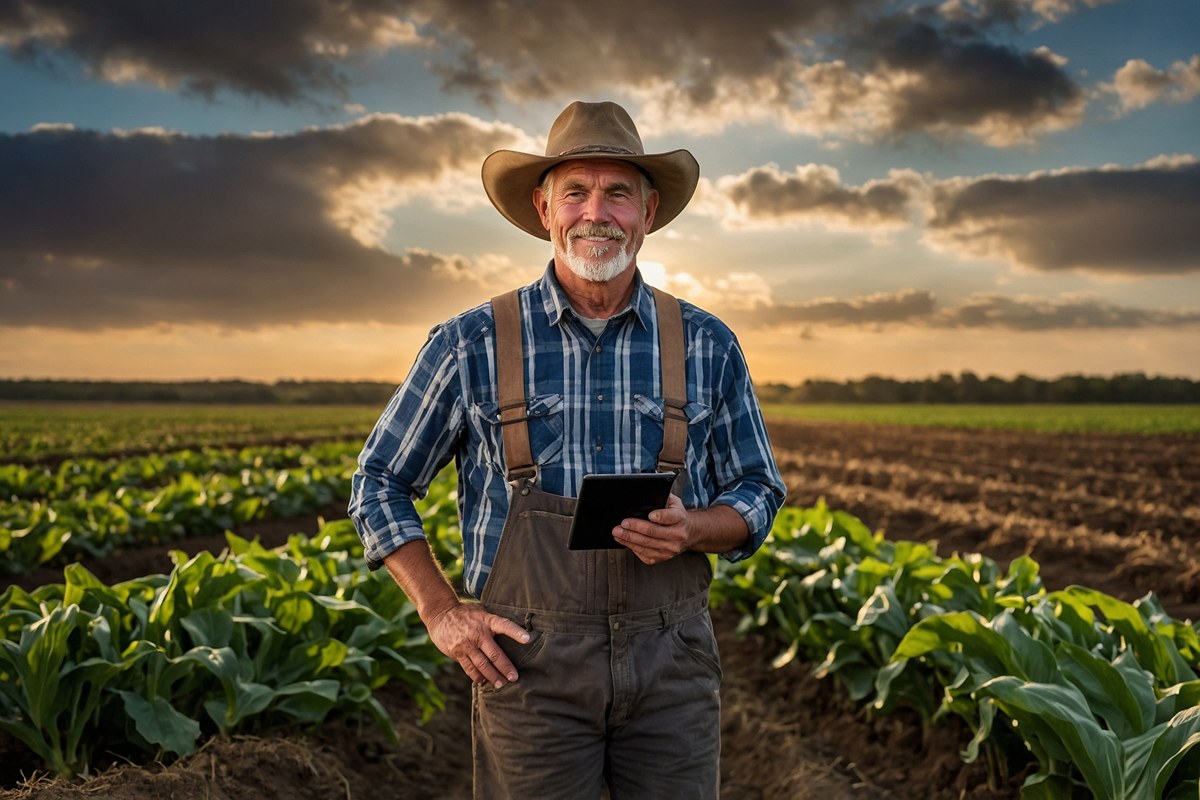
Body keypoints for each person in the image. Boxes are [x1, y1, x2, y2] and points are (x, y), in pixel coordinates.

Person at [350, 100, 785, 800]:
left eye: (618, 193)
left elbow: (759, 489)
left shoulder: (707, 343)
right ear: (544, 208)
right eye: (576, 192)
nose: (596, 212)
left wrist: (694, 529)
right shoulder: (472, 342)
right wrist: (441, 611)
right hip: (528, 671)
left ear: (647, 211)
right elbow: (378, 482)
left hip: (671, 665)